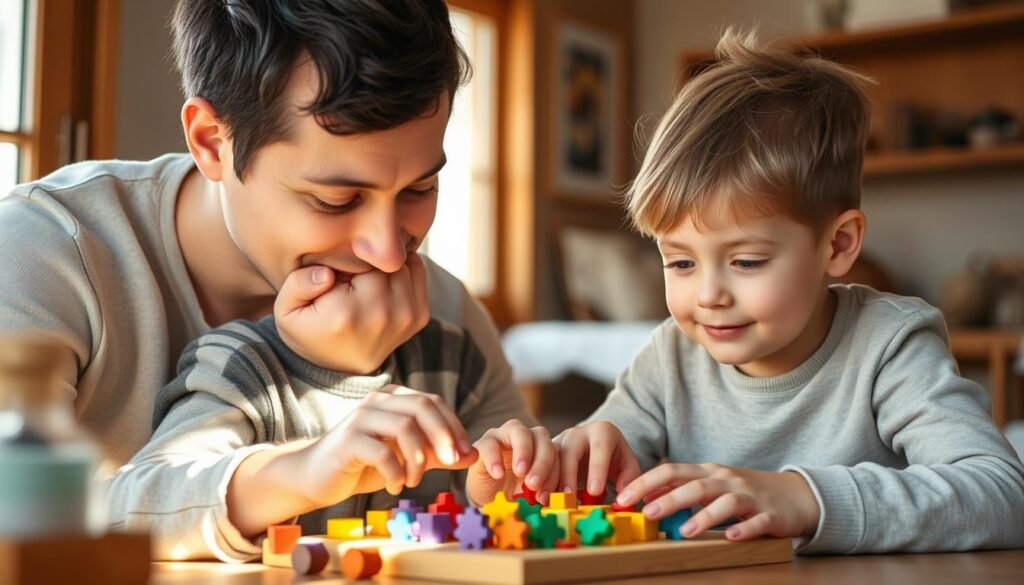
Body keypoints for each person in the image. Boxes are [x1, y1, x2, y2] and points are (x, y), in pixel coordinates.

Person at [0, 0, 553, 560]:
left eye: (418, 190)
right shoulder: (44, 253)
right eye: (335, 199)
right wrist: (303, 459)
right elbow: (20, 532)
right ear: (212, 141)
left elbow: (520, 506)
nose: (388, 253)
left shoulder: (439, 306)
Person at [554, 29, 1024, 554]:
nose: (708, 294)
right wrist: (549, 468)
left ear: (838, 245)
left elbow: (1002, 494)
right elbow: (595, 480)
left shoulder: (888, 346)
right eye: (680, 261)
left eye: (747, 261)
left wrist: (808, 498)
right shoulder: (669, 358)